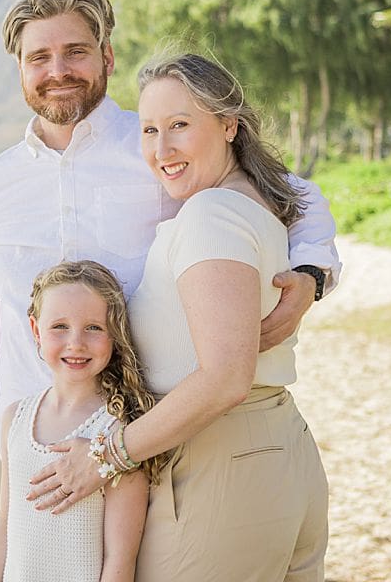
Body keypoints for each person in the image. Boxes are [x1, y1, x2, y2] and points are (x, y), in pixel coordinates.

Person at [0, 0, 341, 523]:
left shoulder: (156, 147)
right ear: (19, 68)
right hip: (21, 447)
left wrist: (311, 275)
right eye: (39, 57)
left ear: (107, 56)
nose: (57, 70)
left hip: (141, 445)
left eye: (76, 51)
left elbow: (295, 196)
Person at [26, 54, 329, 581]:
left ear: (229, 125)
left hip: (220, 464)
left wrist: (105, 455)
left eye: (180, 126)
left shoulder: (210, 216)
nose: (161, 150)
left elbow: (225, 377)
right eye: (149, 130)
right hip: (271, 453)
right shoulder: (253, 205)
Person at [0, 260, 158, 582]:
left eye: (94, 328)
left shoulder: (120, 430)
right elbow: (4, 527)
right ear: (36, 330)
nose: (76, 342)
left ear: (114, 334)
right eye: (60, 326)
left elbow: (120, 557)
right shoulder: (14, 418)